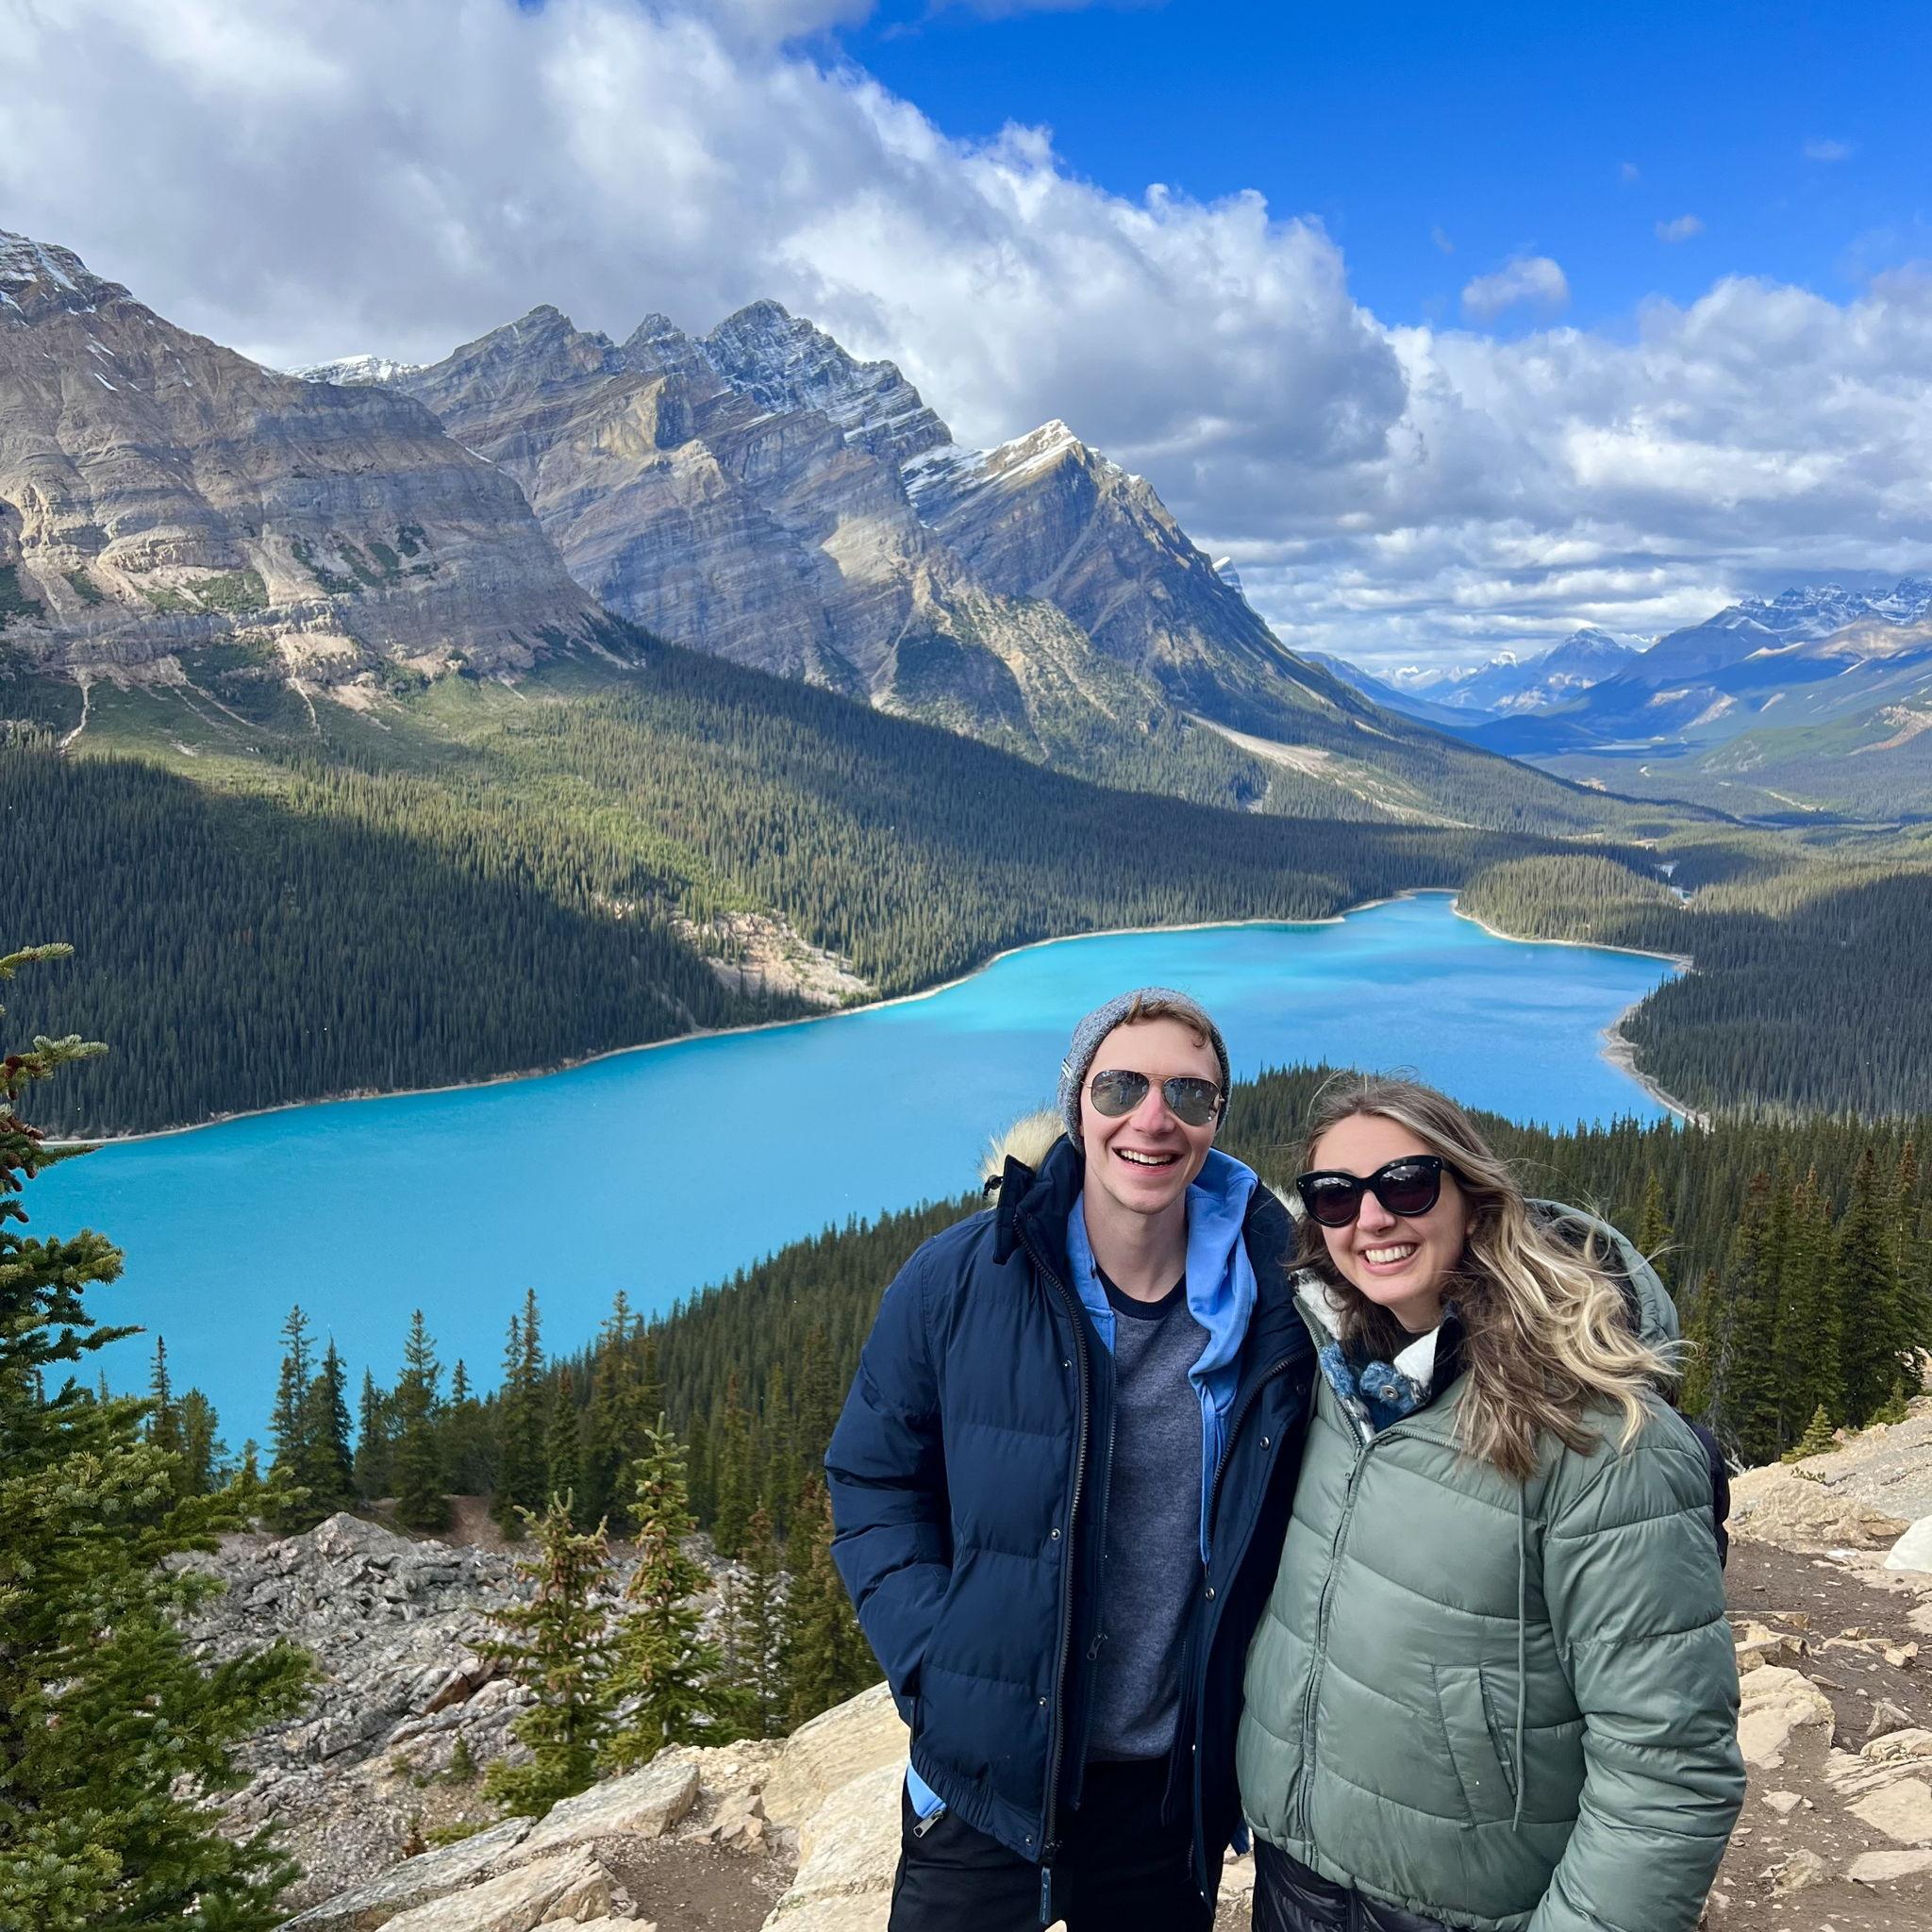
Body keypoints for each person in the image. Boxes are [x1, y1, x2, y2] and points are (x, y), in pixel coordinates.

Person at [825, 989, 1315, 1930]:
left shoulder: (1277, 1303)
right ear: (1076, 1104)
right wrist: (934, 1665)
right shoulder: (960, 1278)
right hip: (985, 1777)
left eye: (1189, 1093)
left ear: (1216, 1118)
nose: (1152, 1118)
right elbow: (873, 1477)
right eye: (1120, 1086)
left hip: (1165, 1791)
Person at [1238, 1074, 1744, 1932]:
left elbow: (1670, 1771)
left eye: (1406, 1184)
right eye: (1335, 1196)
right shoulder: (1327, 1377)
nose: (1371, 1218)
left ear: (1473, 1201)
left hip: (1465, 1911)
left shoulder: (1597, 1435)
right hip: (1295, 1880)